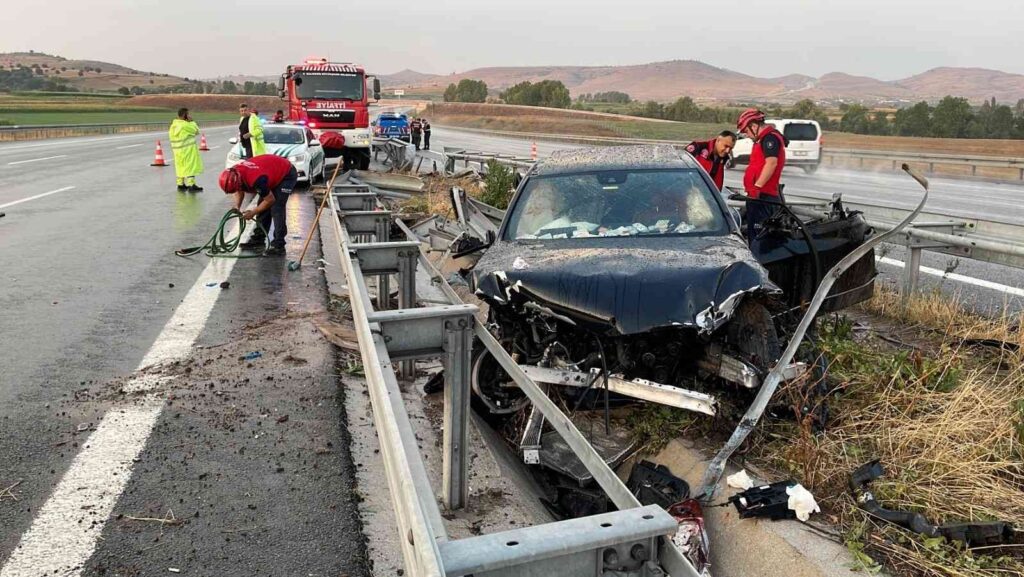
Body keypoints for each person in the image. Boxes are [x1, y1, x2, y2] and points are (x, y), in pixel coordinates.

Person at [218, 154, 297, 256]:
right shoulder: (234, 172)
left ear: (238, 180)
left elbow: (270, 200)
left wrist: (252, 213)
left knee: (276, 208)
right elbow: (238, 189)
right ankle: (258, 240)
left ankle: (279, 245)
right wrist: (237, 206)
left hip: (286, 173)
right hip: (269, 171)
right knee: (262, 206)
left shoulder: (257, 180)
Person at [736, 108, 786, 241]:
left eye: (746, 131)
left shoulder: (769, 139)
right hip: (757, 195)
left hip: (763, 196)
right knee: (754, 234)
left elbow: (771, 163)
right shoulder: (763, 139)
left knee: (759, 238)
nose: (747, 135)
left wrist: (757, 186)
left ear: (754, 126)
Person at [168, 107, 203, 192]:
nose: (189, 115)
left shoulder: (173, 126)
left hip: (177, 151)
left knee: (180, 166)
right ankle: (191, 185)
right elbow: (197, 131)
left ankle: (180, 184)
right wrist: (192, 121)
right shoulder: (185, 125)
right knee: (190, 167)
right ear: (185, 115)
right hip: (188, 150)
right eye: (188, 114)